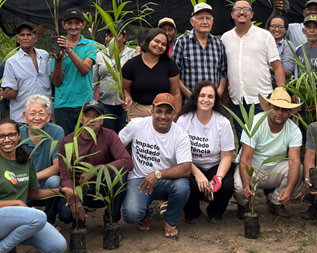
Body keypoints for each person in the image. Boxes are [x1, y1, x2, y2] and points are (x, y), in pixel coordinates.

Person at [0, 119, 66, 253]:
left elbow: (34, 194)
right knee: (39, 216)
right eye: (1, 136)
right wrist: (15, 203)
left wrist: (61, 191)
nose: (7, 139)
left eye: (11, 134)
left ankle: (9, 241)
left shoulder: (26, 160)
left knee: (57, 246)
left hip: (17, 219)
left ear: (19, 136)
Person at [119, 94, 192, 238]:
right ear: (151, 111)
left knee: (182, 188)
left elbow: (186, 168)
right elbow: (116, 145)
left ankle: (170, 221)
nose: (163, 116)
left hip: (167, 180)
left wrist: (158, 174)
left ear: (174, 113)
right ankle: (145, 215)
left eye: (168, 112)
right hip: (139, 179)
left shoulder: (180, 134)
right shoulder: (137, 125)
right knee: (131, 215)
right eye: (159, 111)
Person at [57, 101, 133, 225]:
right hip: (79, 190)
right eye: (87, 115)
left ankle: (111, 220)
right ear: (81, 119)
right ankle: (79, 220)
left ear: (102, 120)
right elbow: (65, 176)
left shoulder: (109, 135)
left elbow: (128, 162)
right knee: (65, 215)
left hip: (102, 188)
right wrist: (73, 200)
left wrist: (96, 170)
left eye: (96, 116)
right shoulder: (68, 142)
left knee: (120, 175)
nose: (91, 120)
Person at [233, 87, 303, 219]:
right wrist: (246, 183)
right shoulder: (254, 122)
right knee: (239, 186)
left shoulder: (294, 130)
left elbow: (294, 161)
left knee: (299, 168)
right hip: (253, 168)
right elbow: (245, 158)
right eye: (276, 108)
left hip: (275, 170)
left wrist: (289, 188)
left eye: (284, 110)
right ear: (268, 107)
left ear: (290, 113)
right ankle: (244, 204)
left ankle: (276, 202)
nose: (280, 113)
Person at [176, 80, 237, 223]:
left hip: (214, 164)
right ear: (196, 98)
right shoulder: (183, 120)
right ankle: (192, 212)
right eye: (202, 95)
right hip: (189, 164)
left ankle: (215, 212)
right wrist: (198, 175)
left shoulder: (222, 122)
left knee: (227, 186)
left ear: (215, 100)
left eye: (210, 96)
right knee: (189, 186)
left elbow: (227, 155)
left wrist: (219, 178)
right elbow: (180, 155)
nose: (206, 99)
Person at [221, 0, 287, 130]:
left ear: (251, 14)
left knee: (263, 140)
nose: (241, 12)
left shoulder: (265, 35)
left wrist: (281, 94)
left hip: (262, 99)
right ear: (232, 14)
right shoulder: (225, 38)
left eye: (245, 9)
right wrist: (226, 97)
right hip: (237, 100)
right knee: (242, 138)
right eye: (237, 9)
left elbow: (277, 66)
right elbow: (225, 70)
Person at [51, 7, 98, 135]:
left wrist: (68, 50)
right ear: (63, 25)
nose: (73, 26)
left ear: (83, 24)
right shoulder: (57, 45)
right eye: (69, 23)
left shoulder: (91, 45)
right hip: (63, 104)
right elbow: (56, 82)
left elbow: (85, 70)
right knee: (65, 145)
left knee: (86, 142)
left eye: (77, 23)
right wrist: (58, 61)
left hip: (85, 104)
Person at [18, 94, 64, 224]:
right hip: (23, 183)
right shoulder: (17, 134)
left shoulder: (56, 132)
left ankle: (50, 220)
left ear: (49, 117)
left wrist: (31, 177)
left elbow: (57, 167)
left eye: (41, 114)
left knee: (55, 181)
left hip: (44, 183)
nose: (37, 118)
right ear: (24, 116)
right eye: (32, 113)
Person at [171, 3, 228, 101]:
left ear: (212, 21)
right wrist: (191, 95)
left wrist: (219, 91)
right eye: (200, 18)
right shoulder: (182, 42)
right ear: (192, 22)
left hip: (212, 102)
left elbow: (222, 73)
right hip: (188, 101)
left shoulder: (218, 44)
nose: (205, 22)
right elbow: (174, 74)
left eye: (208, 18)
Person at [0, 22, 52, 129]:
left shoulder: (45, 56)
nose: (25, 38)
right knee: (23, 145)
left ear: (35, 38)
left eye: (29, 35)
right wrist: (2, 94)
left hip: (44, 115)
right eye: (22, 35)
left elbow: (53, 82)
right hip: (22, 116)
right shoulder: (12, 62)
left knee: (46, 144)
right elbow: (12, 90)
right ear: (17, 39)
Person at [121, 28, 181, 121]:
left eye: (164, 44)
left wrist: (176, 115)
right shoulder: (131, 64)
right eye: (156, 41)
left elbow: (176, 93)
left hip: (163, 114)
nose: (159, 46)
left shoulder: (170, 65)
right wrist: (127, 97)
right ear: (148, 41)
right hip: (137, 112)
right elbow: (125, 89)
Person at [91, 26, 136, 133]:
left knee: (125, 138)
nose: (113, 39)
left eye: (117, 35)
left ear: (124, 37)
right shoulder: (100, 55)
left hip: (127, 106)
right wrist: (91, 104)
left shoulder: (133, 55)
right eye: (110, 36)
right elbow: (93, 82)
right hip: (105, 105)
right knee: (108, 137)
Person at [267, 15, 296, 85]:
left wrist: (265, 66)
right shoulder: (262, 44)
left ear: (285, 30)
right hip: (261, 86)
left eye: (280, 27)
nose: (277, 29)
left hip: (279, 86)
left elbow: (287, 72)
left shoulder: (288, 46)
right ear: (268, 29)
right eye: (273, 26)